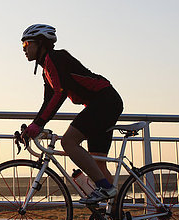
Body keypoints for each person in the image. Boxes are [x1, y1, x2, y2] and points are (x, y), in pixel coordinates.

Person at [21, 24, 124, 203]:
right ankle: (116, 218)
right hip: (103, 102)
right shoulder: (47, 67)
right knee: (98, 163)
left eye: (26, 44)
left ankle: (105, 188)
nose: (24, 49)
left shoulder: (55, 58)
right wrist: (36, 123)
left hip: (104, 102)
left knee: (68, 142)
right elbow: (48, 100)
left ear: (40, 43)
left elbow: (59, 93)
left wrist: (38, 124)